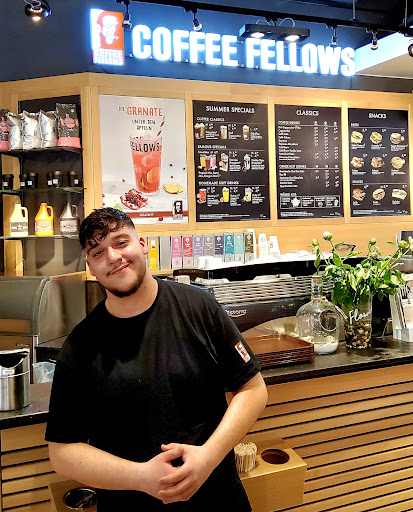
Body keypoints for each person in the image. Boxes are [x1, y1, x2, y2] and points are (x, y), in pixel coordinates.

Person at [46, 207, 268, 511]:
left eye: (121, 242)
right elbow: (62, 453)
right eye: (98, 252)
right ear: (90, 267)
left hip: (218, 498)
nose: (113, 257)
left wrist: (208, 457)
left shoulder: (199, 307)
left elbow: (253, 389)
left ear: (142, 245)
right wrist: (140, 477)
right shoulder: (80, 346)